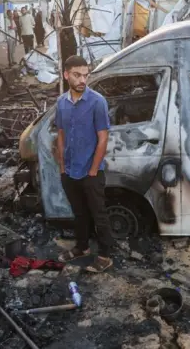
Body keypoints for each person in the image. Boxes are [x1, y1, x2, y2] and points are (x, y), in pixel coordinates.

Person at [56, 55, 115, 273]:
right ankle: (82, 247)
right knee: (79, 213)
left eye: (85, 75)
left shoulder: (97, 102)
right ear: (66, 75)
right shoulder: (61, 103)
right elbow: (61, 135)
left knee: (99, 214)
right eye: (77, 75)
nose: (83, 79)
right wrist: (62, 167)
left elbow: (103, 139)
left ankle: (106, 255)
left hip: (91, 172)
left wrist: (92, 171)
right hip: (70, 171)